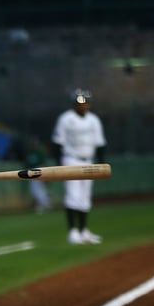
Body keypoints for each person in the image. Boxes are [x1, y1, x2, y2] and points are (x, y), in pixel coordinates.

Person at [51, 88, 106, 244]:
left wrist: (101, 165)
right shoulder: (66, 119)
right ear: (74, 104)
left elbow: (100, 144)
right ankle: (72, 232)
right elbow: (57, 143)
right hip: (71, 160)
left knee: (85, 198)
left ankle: (83, 231)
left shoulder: (93, 120)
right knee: (73, 196)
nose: (83, 106)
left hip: (88, 160)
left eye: (86, 103)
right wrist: (59, 165)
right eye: (80, 103)